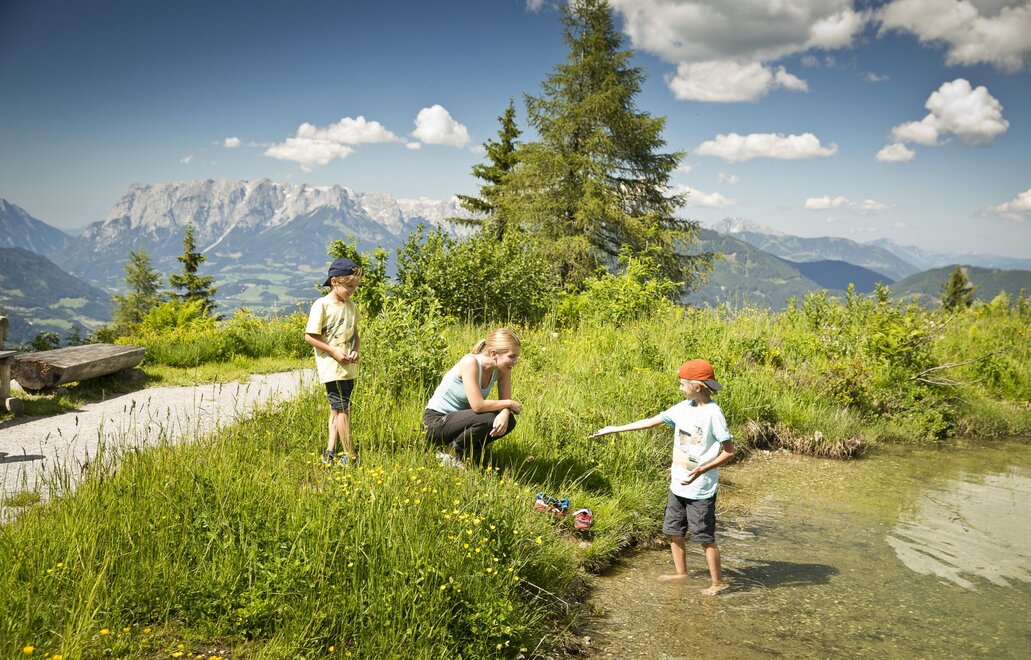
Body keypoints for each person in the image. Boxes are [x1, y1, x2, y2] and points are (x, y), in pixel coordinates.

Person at [591, 358, 735, 595]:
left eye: (682, 384)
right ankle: (682, 573)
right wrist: (614, 428)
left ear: (697, 386)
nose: (680, 388)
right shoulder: (683, 408)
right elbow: (650, 423)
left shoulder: (713, 413)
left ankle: (718, 583)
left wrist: (702, 470)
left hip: (701, 489)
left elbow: (729, 451)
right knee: (673, 531)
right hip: (678, 485)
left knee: (704, 537)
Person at [424, 328, 523, 468]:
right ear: (493, 353)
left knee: (509, 421)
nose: (515, 361)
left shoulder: (503, 369)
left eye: (516, 357)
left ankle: (468, 451)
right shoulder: (470, 362)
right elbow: (478, 405)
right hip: (436, 421)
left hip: (460, 422)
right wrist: (509, 403)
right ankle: (449, 453)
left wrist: (505, 412)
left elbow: (504, 405)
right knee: (489, 418)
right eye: (512, 356)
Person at [304, 257, 362, 466]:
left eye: (355, 286)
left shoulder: (350, 306)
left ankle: (330, 451)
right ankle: (350, 455)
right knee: (343, 409)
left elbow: (356, 334)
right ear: (334, 281)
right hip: (332, 368)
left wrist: (355, 351)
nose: (353, 290)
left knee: (336, 409)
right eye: (349, 286)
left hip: (348, 368)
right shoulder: (322, 305)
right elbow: (310, 337)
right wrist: (334, 352)